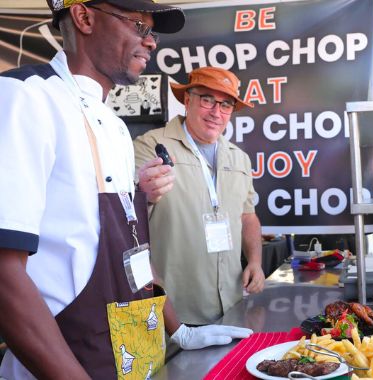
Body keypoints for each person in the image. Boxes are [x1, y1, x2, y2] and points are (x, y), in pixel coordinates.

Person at [0, 2, 252, 379]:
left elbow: (130, 252)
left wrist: (177, 329)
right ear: (84, 17)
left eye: (152, 32)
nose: (150, 43)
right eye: (138, 25)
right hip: (66, 361)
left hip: (130, 356)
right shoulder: (26, 98)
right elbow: (4, 272)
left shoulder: (116, 130)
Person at [133, 66, 266, 325]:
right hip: (173, 312)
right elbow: (125, 215)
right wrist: (143, 193)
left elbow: (248, 215)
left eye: (226, 105)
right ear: (187, 100)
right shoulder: (150, 147)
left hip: (231, 304)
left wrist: (255, 261)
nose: (216, 112)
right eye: (207, 100)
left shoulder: (238, 157)